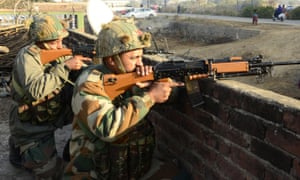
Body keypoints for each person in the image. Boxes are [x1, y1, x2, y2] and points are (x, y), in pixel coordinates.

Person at [63, 18, 183, 179]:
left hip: (128, 163)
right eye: (133, 58)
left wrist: (156, 83)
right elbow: (108, 129)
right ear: (112, 59)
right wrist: (150, 96)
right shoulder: (89, 84)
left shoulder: (125, 74)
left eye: (141, 56)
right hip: (95, 169)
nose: (140, 62)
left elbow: (170, 96)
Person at [8, 14, 91, 179]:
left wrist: (90, 68)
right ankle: (20, 146)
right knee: (50, 173)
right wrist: (65, 67)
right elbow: (35, 90)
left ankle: (72, 149)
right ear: (40, 41)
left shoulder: (57, 51)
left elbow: (79, 72)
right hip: (32, 122)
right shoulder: (27, 57)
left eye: (61, 40)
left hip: (54, 110)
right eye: (54, 42)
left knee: (91, 108)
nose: (60, 46)